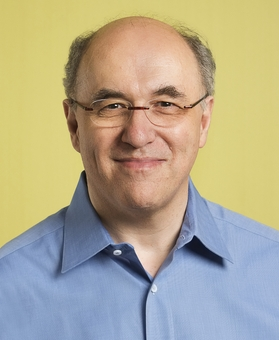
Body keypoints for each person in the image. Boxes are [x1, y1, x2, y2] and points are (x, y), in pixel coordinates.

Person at [0, 16, 278, 340]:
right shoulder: (7, 287)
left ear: (203, 121)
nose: (138, 134)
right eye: (112, 105)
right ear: (74, 125)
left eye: (166, 104)